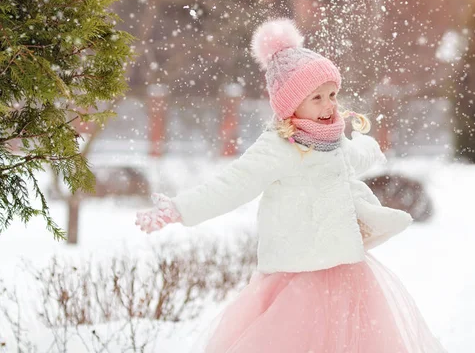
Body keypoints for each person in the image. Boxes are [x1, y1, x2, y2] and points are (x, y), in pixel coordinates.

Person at [135, 18, 447, 352]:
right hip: (298, 274)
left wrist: (370, 149)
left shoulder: (331, 139)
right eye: (317, 98)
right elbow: (233, 184)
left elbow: (349, 159)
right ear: (290, 103)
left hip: (344, 267)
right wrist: (179, 209)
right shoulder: (278, 148)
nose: (329, 105)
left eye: (332, 95)